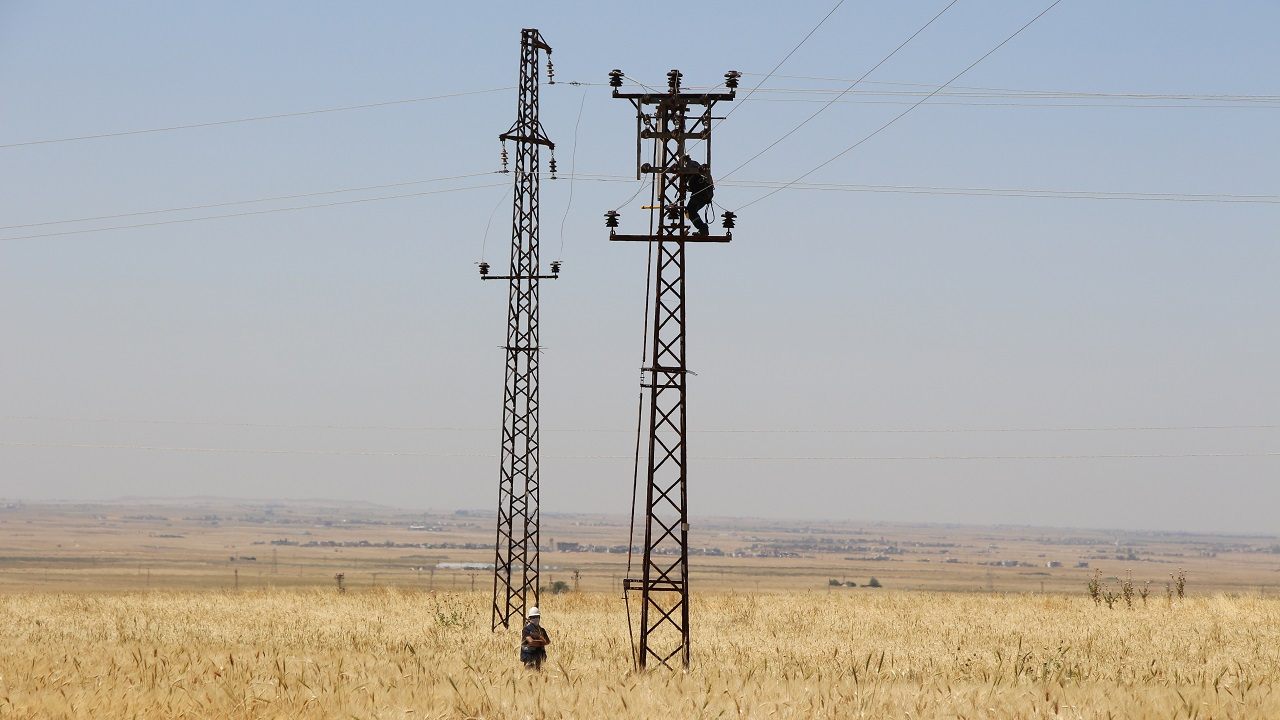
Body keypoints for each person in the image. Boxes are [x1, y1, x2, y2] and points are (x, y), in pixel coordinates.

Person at [683, 156, 714, 235]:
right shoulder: (695, 164)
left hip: (701, 192)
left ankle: (703, 228)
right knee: (692, 211)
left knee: (690, 210)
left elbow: (690, 179)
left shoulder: (688, 166)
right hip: (707, 193)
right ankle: (702, 228)